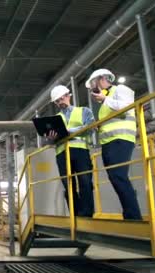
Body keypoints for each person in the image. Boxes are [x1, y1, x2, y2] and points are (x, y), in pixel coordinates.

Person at [86, 69, 142, 220]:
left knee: (119, 176)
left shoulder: (120, 89)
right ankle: (130, 214)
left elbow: (127, 107)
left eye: (93, 83)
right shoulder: (106, 101)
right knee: (115, 178)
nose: (92, 87)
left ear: (103, 78)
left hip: (121, 139)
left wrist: (105, 99)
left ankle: (133, 216)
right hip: (108, 143)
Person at [45, 85, 95, 217]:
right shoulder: (55, 119)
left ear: (68, 96)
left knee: (85, 182)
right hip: (62, 153)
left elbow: (90, 128)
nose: (59, 103)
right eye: (56, 102)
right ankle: (76, 214)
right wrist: (51, 138)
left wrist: (68, 131)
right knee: (68, 185)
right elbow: (51, 142)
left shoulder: (84, 111)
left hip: (80, 151)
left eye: (60, 99)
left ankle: (87, 214)